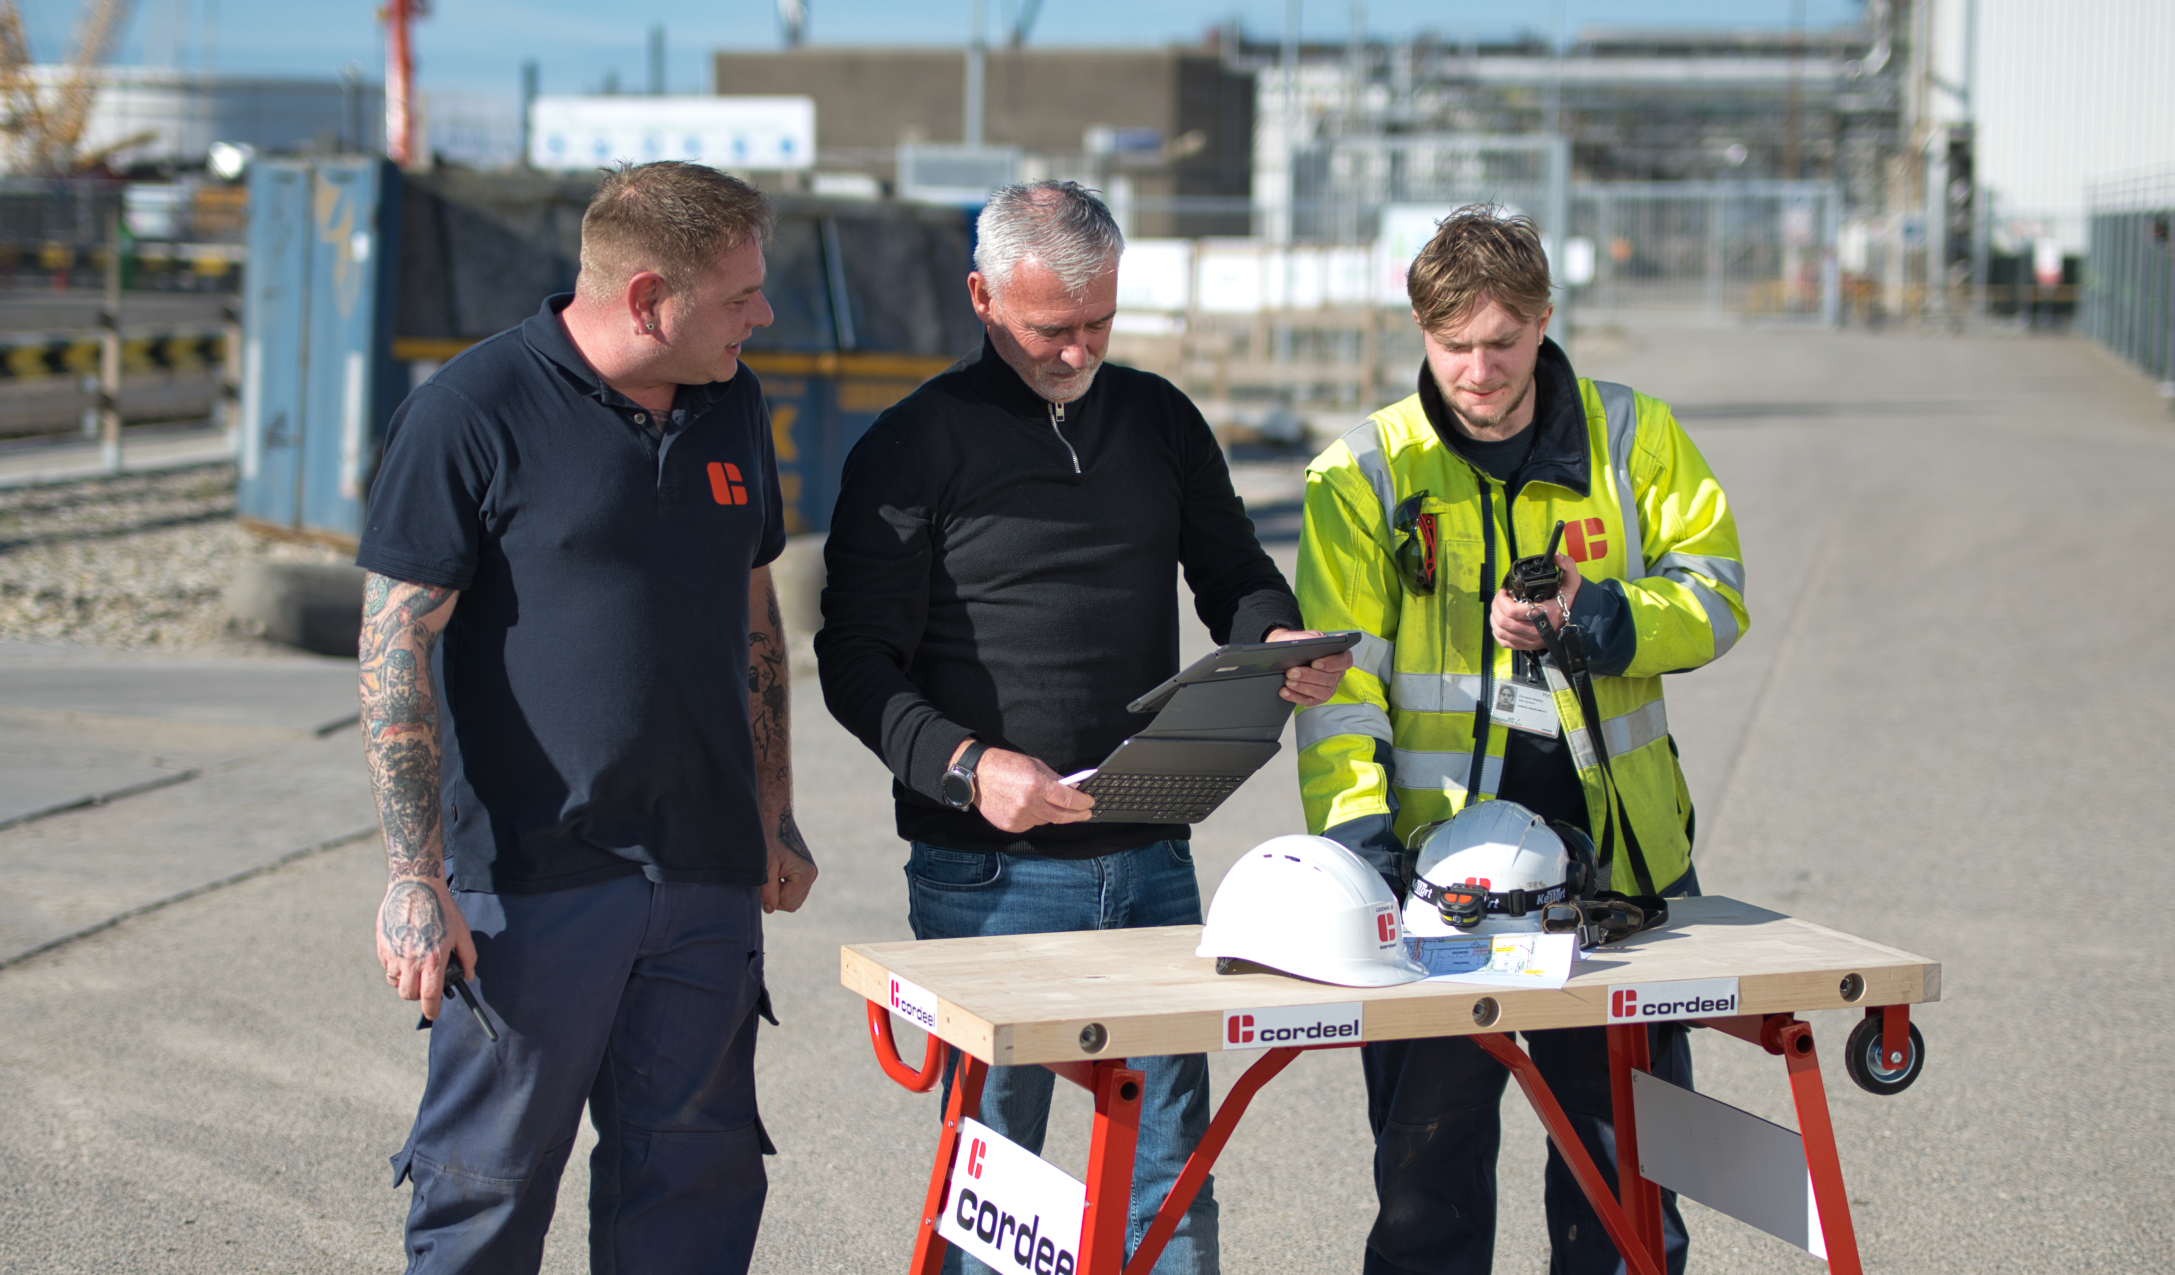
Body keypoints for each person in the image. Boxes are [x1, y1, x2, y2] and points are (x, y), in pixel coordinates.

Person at [815, 181, 1349, 1275]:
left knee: (1171, 1169)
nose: (1078, 353)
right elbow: (853, 661)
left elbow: (1234, 573)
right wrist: (965, 767)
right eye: (1051, 329)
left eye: (1100, 323)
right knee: (996, 1179)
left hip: (1152, 849)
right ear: (981, 297)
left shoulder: (1156, 417)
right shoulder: (911, 447)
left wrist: (1279, 639)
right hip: (991, 873)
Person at [356, 161, 818, 1275]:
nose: (763, 315)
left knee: (695, 1188)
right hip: (529, 887)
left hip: (705, 878)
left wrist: (773, 811)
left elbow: (755, 616)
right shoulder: (468, 412)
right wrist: (415, 876)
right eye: (740, 296)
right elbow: (393, 647)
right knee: (485, 1193)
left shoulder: (734, 403)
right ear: (649, 296)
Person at [1294, 207, 1749, 1275]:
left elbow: (1718, 595)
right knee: (1425, 1202)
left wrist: (1601, 620)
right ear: (1420, 332)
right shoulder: (1361, 475)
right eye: (1455, 346)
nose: (1480, 370)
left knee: (1625, 1190)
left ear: (1546, 321)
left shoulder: (1635, 434)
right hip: (1434, 889)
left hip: (1620, 881)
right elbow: (1339, 691)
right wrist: (1361, 845)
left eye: (1504, 342)